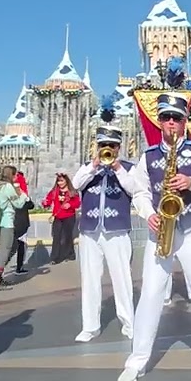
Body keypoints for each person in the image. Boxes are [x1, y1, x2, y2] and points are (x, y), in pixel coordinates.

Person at [119, 93, 191, 381]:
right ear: (159, 121)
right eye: (166, 118)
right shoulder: (148, 157)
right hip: (161, 231)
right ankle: (137, 360)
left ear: (185, 122)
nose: (171, 123)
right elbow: (141, 192)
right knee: (150, 294)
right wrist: (148, 214)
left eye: (177, 118)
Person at [71, 95, 138, 342]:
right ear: (97, 146)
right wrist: (94, 165)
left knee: (122, 279)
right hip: (90, 231)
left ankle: (129, 323)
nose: (108, 148)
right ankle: (90, 325)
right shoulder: (89, 168)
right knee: (89, 279)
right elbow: (76, 184)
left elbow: (133, 189)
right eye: (103, 144)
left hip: (117, 231)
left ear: (119, 147)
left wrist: (118, 168)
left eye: (112, 145)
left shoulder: (129, 168)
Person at [0, 165, 30, 286]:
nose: (17, 177)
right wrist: (22, 194)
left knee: (12, 245)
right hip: (6, 222)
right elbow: (18, 203)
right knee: (7, 249)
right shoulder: (7, 187)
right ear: (11, 175)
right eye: (15, 174)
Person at [42, 172, 79, 265]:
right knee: (56, 236)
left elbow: (77, 203)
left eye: (62, 181)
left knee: (67, 236)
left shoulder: (72, 192)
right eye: (58, 181)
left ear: (66, 181)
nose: (60, 183)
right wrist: (45, 203)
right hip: (58, 216)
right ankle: (54, 257)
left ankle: (69, 254)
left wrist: (70, 204)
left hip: (69, 216)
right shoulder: (54, 191)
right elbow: (48, 200)